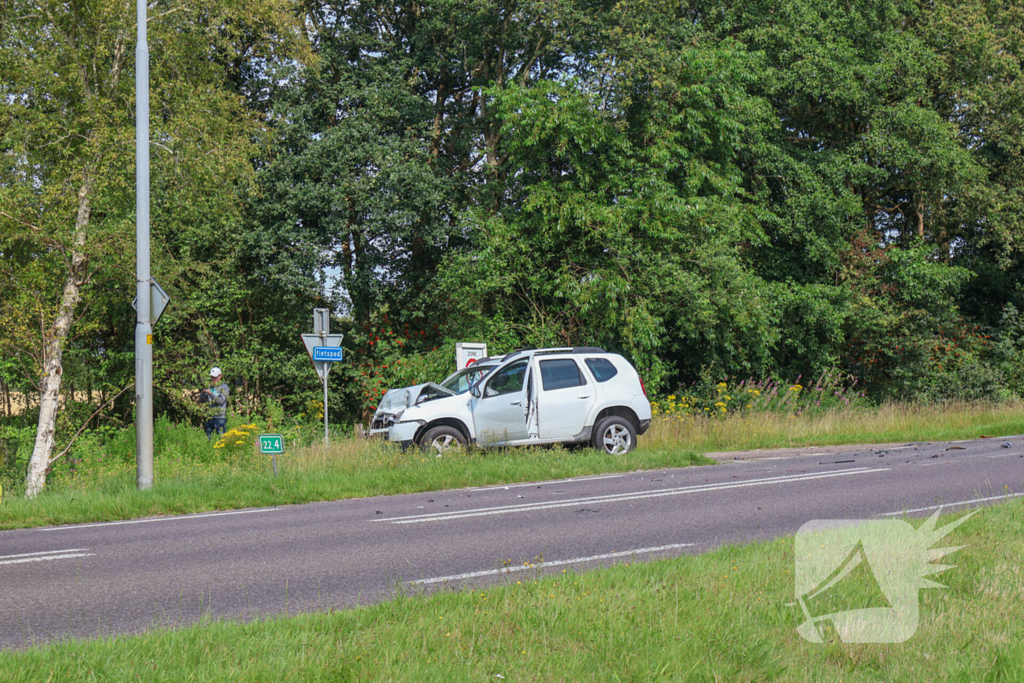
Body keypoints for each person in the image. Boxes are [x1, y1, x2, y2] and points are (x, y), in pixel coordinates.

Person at [203, 367, 230, 441]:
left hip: (220, 417)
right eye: (212, 377)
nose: (213, 379)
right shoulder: (209, 386)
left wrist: (210, 393)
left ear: (220, 376)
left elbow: (220, 401)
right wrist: (203, 392)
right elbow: (202, 401)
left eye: (215, 377)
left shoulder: (224, 387)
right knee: (209, 440)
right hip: (209, 417)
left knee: (221, 440)